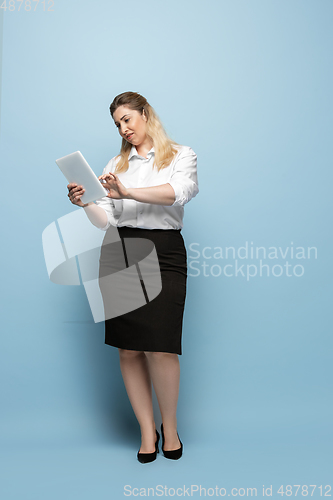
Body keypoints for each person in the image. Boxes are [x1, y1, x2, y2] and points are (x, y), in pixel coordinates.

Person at [67, 91, 199, 463]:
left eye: (127, 119)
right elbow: (106, 219)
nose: (124, 129)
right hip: (120, 251)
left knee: (161, 346)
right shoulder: (115, 163)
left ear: (146, 114)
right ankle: (146, 431)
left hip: (165, 252)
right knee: (129, 348)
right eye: (117, 124)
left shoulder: (181, 155)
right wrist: (88, 203)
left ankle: (169, 428)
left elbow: (179, 193)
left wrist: (129, 192)